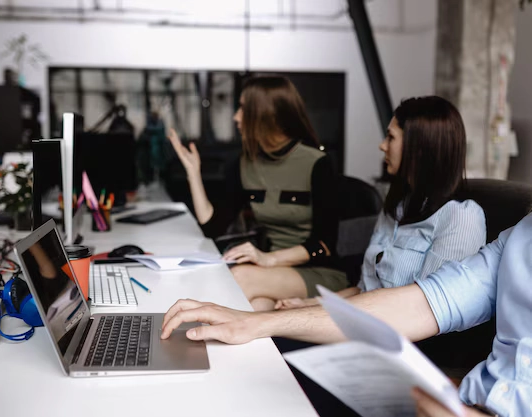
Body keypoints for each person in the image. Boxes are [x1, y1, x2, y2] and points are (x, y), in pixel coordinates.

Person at [161, 207, 532, 416]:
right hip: (460, 405)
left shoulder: (460, 215)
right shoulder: (520, 235)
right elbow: (423, 303)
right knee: (262, 381)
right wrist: (257, 323)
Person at [275, 95, 486, 310]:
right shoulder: (397, 206)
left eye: (390, 137)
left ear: (419, 147)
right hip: (357, 318)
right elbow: (364, 288)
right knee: (268, 309)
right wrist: (309, 303)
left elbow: (426, 309)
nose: (382, 146)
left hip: (393, 337)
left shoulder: (461, 218)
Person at [168, 75, 347, 311]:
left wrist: (268, 258)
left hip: (317, 272)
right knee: (256, 306)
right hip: (269, 272)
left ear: (265, 114)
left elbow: (324, 244)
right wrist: (193, 172)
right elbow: (212, 226)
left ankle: (191, 334)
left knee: (240, 278)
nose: (236, 117)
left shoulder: (317, 162)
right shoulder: (244, 164)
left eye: (242, 108)